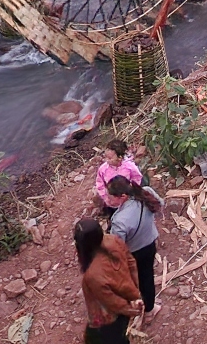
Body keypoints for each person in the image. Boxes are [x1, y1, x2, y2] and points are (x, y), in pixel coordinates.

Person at [75, 218, 142, 344]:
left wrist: (130, 310)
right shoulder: (113, 240)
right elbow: (131, 263)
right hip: (126, 298)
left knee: (106, 338)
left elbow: (112, 302)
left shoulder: (93, 275)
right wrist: (136, 295)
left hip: (108, 318)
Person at [107, 176, 163, 326]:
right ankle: (151, 310)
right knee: (147, 278)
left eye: (111, 196)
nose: (108, 199)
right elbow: (160, 204)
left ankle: (130, 307)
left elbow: (117, 246)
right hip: (149, 244)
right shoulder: (146, 192)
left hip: (134, 253)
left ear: (123, 196)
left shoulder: (119, 220)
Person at [95, 140, 142, 215]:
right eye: (105, 157)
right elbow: (100, 184)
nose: (106, 160)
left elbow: (137, 178)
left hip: (128, 198)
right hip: (112, 201)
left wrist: (132, 191)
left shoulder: (129, 167)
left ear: (120, 157)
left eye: (110, 158)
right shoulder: (103, 169)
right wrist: (106, 198)